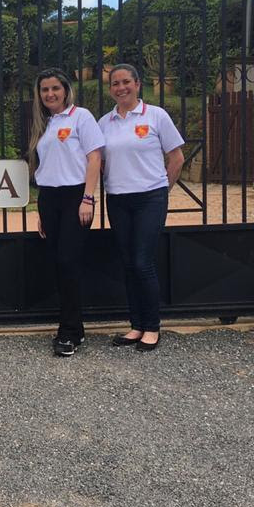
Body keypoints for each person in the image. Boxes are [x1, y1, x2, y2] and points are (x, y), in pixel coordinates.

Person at [99, 63, 185, 352]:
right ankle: (136, 325)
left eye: (126, 82)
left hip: (150, 198)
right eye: (115, 84)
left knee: (142, 262)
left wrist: (163, 188)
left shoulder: (156, 116)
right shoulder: (104, 122)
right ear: (110, 89)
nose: (121, 88)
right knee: (127, 263)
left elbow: (177, 158)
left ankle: (152, 326)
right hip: (118, 199)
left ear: (138, 84)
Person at [28, 67, 103, 357]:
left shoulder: (81, 117)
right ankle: (76, 328)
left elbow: (94, 156)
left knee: (68, 261)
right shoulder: (43, 124)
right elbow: (45, 169)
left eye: (55, 88)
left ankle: (68, 332)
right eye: (45, 90)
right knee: (60, 264)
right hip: (50, 198)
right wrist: (40, 210)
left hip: (75, 197)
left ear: (66, 90)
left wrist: (88, 197)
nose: (50, 94)